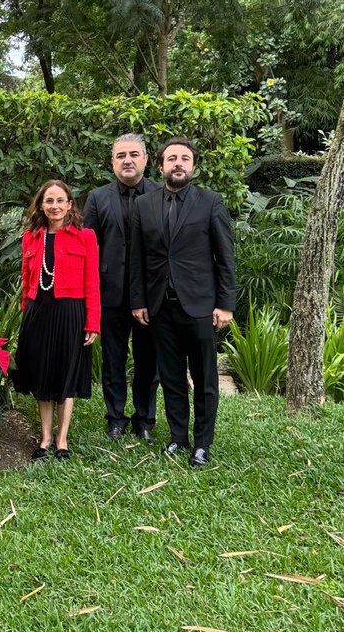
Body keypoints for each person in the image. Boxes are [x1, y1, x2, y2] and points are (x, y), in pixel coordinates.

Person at [129, 137, 235, 468]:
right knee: (172, 378)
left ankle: (202, 444)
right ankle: (179, 437)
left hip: (201, 306)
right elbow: (137, 259)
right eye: (171, 158)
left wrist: (226, 304)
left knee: (204, 380)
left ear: (192, 166)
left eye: (184, 158)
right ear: (160, 166)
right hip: (160, 307)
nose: (178, 163)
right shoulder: (144, 205)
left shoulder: (210, 202)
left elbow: (225, 257)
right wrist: (138, 301)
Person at [13, 179, 100, 460]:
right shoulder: (31, 236)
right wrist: (26, 309)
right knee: (42, 374)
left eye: (60, 200)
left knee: (65, 373)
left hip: (70, 313)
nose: (54, 206)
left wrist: (92, 323)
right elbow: (27, 278)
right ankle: (45, 437)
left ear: (69, 204)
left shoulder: (84, 237)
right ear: (41, 205)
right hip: (39, 312)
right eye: (49, 201)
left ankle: (62, 440)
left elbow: (93, 283)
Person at [83, 134, 160, 442]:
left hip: (150, 296)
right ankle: (115, 417)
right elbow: (87, 248)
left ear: (145, 159)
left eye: (133, 154)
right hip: (110, 293)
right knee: (113, 361)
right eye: (120, 156)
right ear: (112, 162)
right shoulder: (97, 197)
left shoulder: (160, 193)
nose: (127, 160)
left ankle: (144, 419)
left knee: (148, 361)